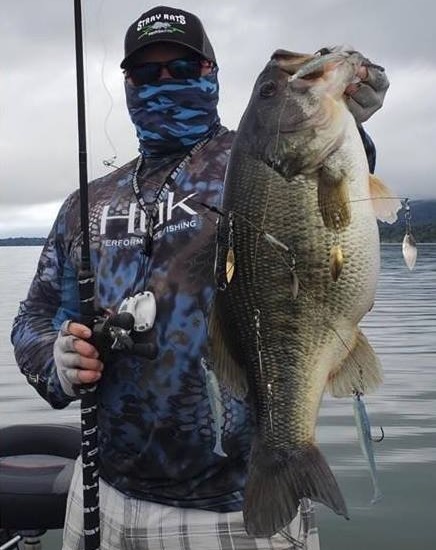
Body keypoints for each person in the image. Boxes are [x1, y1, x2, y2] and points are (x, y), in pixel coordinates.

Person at [11, 6, 389, 550]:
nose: (164, 82)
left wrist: (352, 109)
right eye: (147, 73)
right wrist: (57, 362)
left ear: (212, 75)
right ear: (128, 83)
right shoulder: (86, 204)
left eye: (181, 69)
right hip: (105, 493)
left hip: (242, 502)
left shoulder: (251, 157)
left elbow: (330, 198)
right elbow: (34, 318)